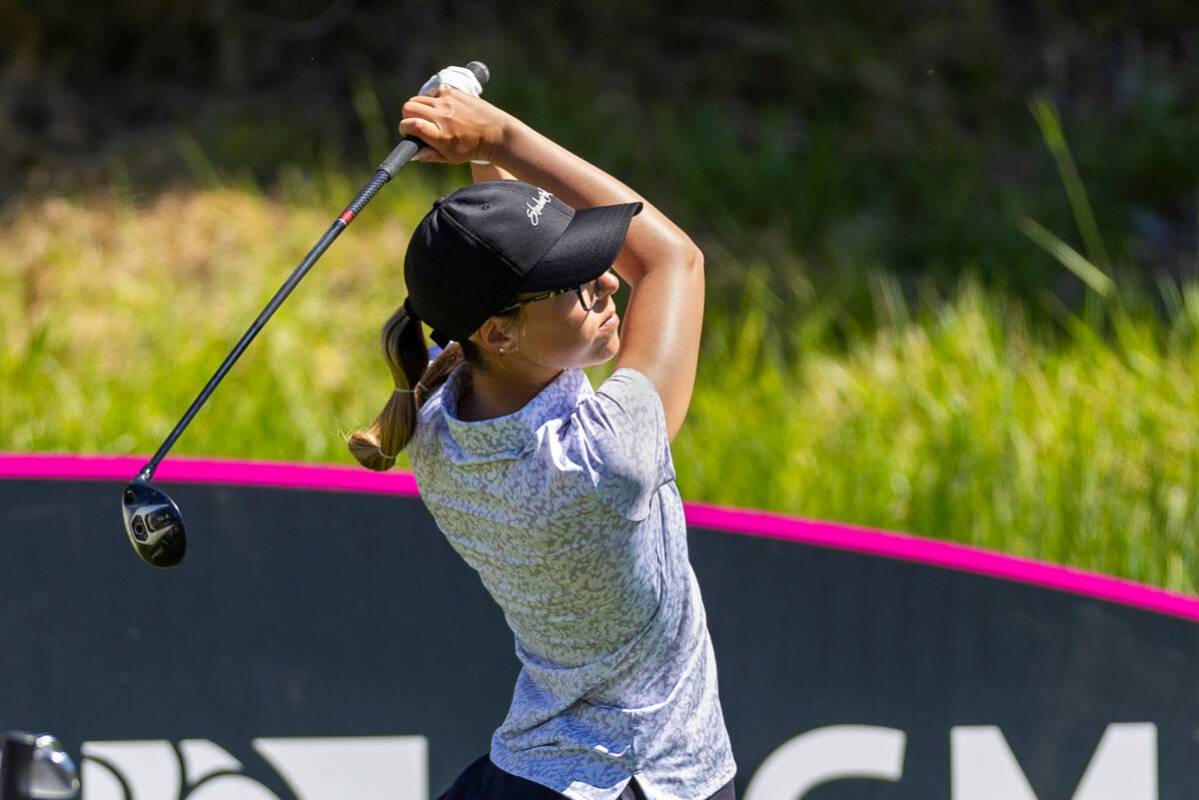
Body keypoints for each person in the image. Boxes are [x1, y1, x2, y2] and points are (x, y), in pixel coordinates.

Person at [347, 83, 736, 800]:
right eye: (573, 282)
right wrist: (497, 136)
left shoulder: (435, 426)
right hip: (644, 782)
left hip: (528, 776)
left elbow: (493, 246)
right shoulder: (602, 459)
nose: (607, 284)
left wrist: (478, 155)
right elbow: (672, 262)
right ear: (499, 332)